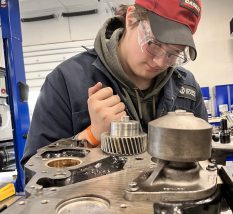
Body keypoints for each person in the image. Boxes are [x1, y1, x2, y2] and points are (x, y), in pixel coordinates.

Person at [21, 0, 207, 165]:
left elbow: (204, 158)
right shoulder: (65, 81)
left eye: (173, 53)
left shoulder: (187, 85)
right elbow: (33, 170)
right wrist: (91, 136)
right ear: (131, 18)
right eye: (154, 44)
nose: (160, 62)